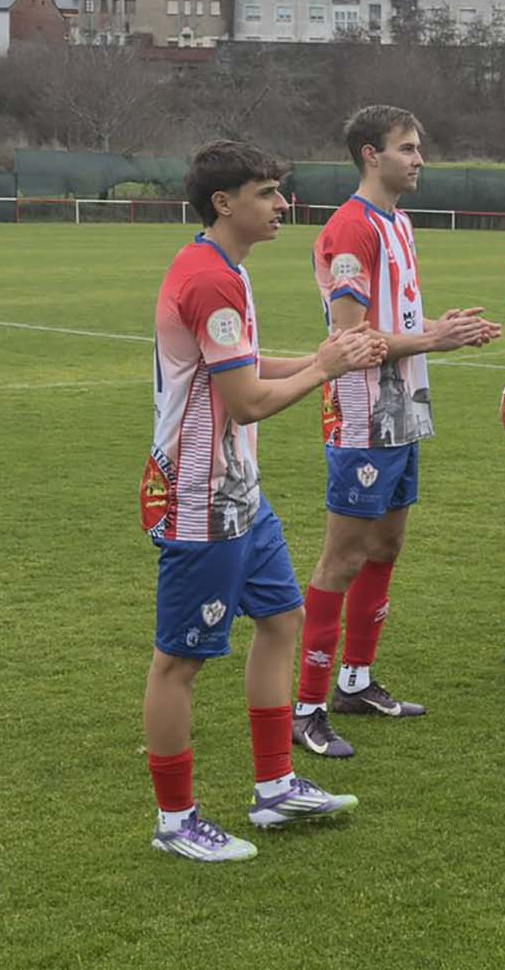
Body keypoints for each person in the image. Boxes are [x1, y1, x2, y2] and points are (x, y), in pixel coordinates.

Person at [140, 140, 386, 861]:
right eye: (268, 192)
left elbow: (244, 365)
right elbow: (245, 402)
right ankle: (175, 821)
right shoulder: (209, 280)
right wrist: (327, 370)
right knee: (178, 663)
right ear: (225, 203)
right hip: (199, 495)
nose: (283, 205)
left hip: (238, 491)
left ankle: (274, 787)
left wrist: (322, 357)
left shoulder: (224, 269)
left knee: (282, 620)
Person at [294, 105, 501, 758]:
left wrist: (432, 327)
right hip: (361, 412)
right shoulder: (351, 229)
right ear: (368, 155)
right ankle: (306, 706)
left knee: (387, 546)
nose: (420, 160)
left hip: (403, 403)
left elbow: (393, 319)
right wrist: (434, 339)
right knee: (343, 556)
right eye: (407, 148)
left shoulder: (398, 223)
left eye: (420, 147)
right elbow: (349, 338)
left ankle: (355, 680)